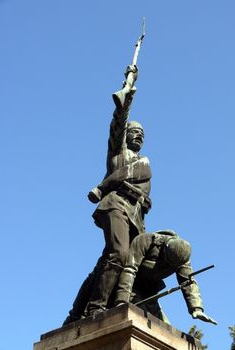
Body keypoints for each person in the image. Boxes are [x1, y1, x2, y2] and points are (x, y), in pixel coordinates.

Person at [63, 65, 152, 324]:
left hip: (136, 217)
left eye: (143, 135)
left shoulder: (145, 163)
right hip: (116, 206)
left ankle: (77, 311)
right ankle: (96, 309)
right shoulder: (118, 154)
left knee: (115, 262)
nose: (139, 137)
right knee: (119, 255)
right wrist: (129, 88)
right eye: (135, 132)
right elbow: (119, 122)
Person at [115, 230, 217, 325]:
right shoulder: (146, 241)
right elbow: (129, 270)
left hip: (150, 293)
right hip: (130, 287)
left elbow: (188, 282)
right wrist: (122, 302)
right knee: (142, 319)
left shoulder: (182, 258)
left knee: (165, 327)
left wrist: (196, 308)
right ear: (165, 248)